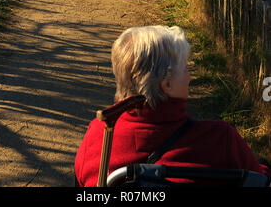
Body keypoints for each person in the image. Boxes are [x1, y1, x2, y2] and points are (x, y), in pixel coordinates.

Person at [74, 25, 271, 187]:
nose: (189, 76)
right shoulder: (220, 139)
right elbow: (260, 181)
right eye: (185, 68)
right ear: (167, 85)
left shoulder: (99, 136)